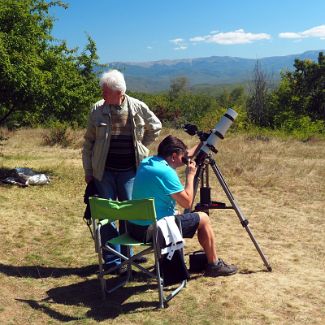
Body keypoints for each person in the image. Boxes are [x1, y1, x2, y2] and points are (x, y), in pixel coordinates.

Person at [82, 69, 162, 270]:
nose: (102, 94)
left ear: (118, 92)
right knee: (106, 215)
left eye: (105, 91)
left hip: (130, 172)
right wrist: (88, 170)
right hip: (104, 171)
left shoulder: (137, 107)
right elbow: (88, 142)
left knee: (129, 213)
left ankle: (129, 256)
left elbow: (156, 126)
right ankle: (113, 261)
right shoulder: (97, 109)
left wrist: (142, 147)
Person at [128, 135, 237, 277]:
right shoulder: (166, 172)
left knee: (178, 214)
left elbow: (186, 155)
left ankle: (166, 261)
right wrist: (190, 175)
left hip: (134, 228)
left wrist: (202, 143)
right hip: (153, 232)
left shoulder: (147, 162)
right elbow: (187, 202)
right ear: (173, 156)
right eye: (182, 157)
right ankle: (214, 265)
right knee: (203, 218)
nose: (185, 160)